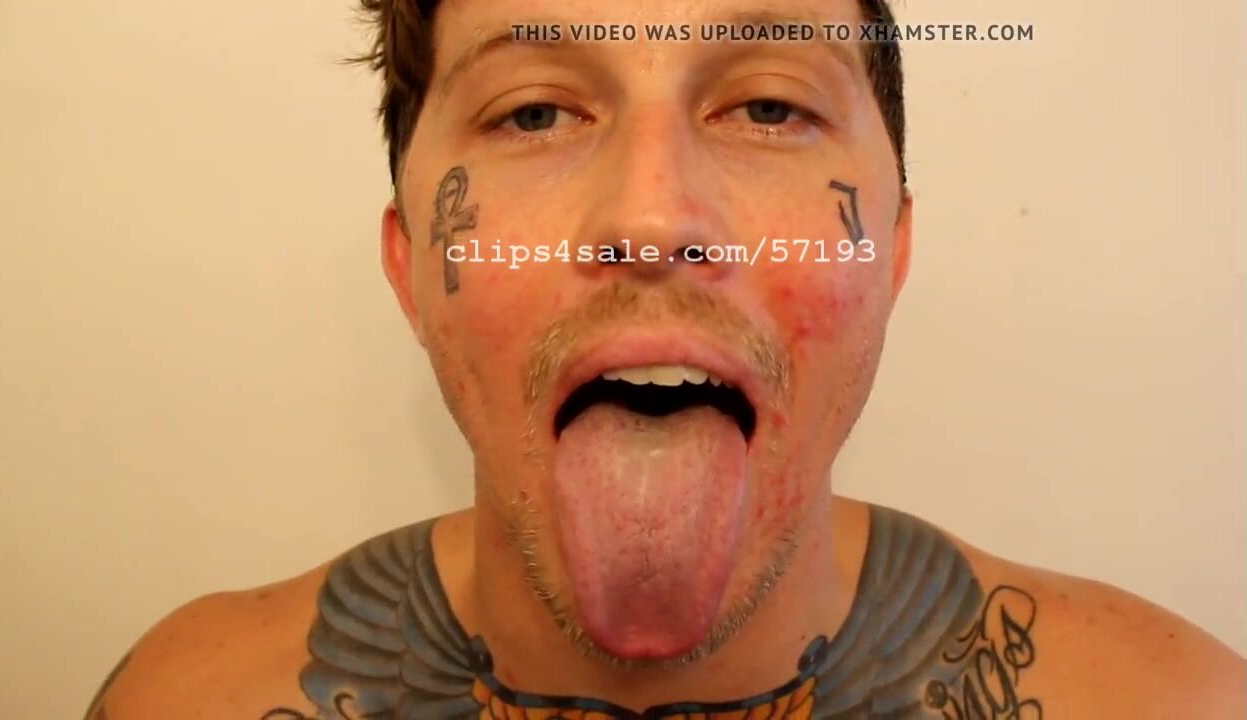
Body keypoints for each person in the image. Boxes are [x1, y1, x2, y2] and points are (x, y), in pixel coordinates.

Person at [84, 0, 1245, 717]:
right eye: (534, 112)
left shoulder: (1170, 705)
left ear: (890, 248)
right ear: (410, 263)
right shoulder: (184, 704)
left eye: (770, 108)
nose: (651, 219)